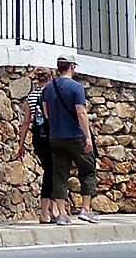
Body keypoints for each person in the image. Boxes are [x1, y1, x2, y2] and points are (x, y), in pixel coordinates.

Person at [42, 56, 98, 224]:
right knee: (87, 170)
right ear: (72, 67)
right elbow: (81, 113)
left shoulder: (48, 87)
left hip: (56, 137)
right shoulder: (76, 87)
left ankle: (61, 213)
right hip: (75, 136)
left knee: (59, 174)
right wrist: (88, 137)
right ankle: (86, 209)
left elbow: (46, 114)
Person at [15, 66, 55, 223]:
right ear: (51, 78)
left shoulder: (31, 96)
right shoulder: (52, 94)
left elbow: (26, 122)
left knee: (49, 170)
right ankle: (46, 211)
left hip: (38, 138)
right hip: (52, 137)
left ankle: (52, 209)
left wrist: (21, 144)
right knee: (52, 172)